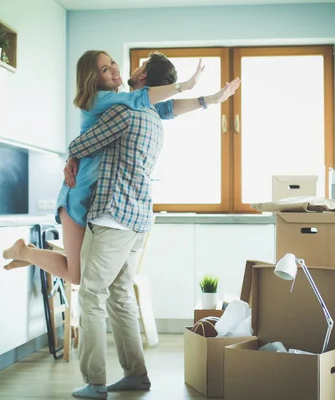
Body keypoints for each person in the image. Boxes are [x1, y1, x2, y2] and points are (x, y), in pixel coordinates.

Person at [64, 55, 240, 399]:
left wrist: (71, 153)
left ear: (142, 75)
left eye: (131, 65)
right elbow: (171, 107)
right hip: (138, 220)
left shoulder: (123, 112)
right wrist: (211, 99)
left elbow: (81, 145)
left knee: (92, 295)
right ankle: (136, 374)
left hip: (112, 217)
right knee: (120, 296)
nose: (121, 69)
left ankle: (95, 382)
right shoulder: (151, 116)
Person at [1, 50, 240, 287]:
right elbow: (142, 100)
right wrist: (186, 85)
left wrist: (210, 100)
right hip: (78, 192)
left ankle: (27, 253)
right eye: (105, 69)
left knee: (82, 269)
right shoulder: (101, 100)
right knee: (77, 276)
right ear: (94, 79)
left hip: (95, 198)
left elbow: (163, 109)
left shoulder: (122, 102)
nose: (114, 68)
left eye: (112, 62)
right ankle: (24, 252)